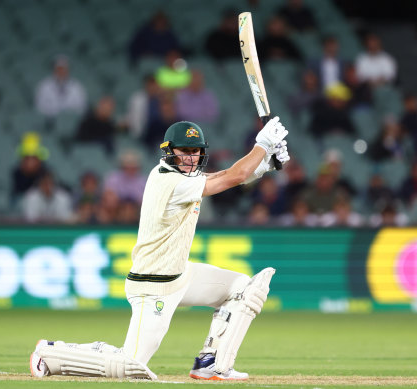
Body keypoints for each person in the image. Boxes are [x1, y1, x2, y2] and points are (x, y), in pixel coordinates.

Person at [30, 118, 291, 381]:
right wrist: (262, 145)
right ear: (170, 151)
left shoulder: (182, 176)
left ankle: (212, 363)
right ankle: (50, 354)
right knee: (130, 365)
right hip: (153, 284)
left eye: (196, 151)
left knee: (244, 288)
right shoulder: (170, 181)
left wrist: (266, 165)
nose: (191, 157)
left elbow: (222, 176)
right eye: (185, 151)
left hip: (179, 275)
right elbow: (234, 176)